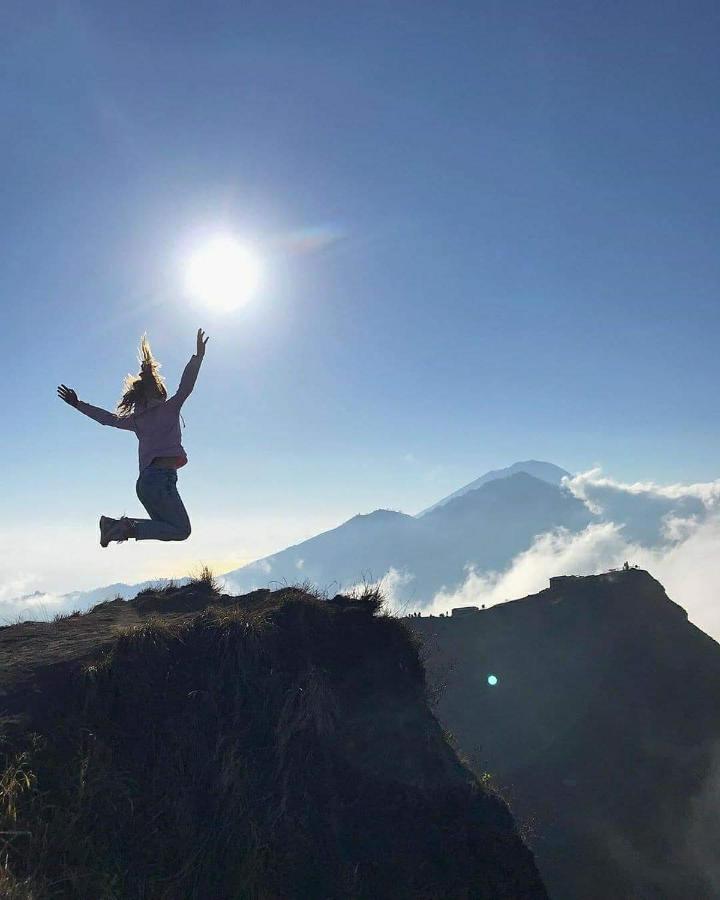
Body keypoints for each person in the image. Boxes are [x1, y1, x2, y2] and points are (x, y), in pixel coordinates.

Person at [57, 328, 209, 547]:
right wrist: (198, 357)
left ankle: (115, 526)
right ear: (158, 391)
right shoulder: (169, 408)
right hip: (161, 480)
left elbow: (107, 419)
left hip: (146, 483)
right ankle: (118, 527)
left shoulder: (137, 420)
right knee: (181, 529)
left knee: (167, 526)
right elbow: (187, 385)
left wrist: (78, 404)